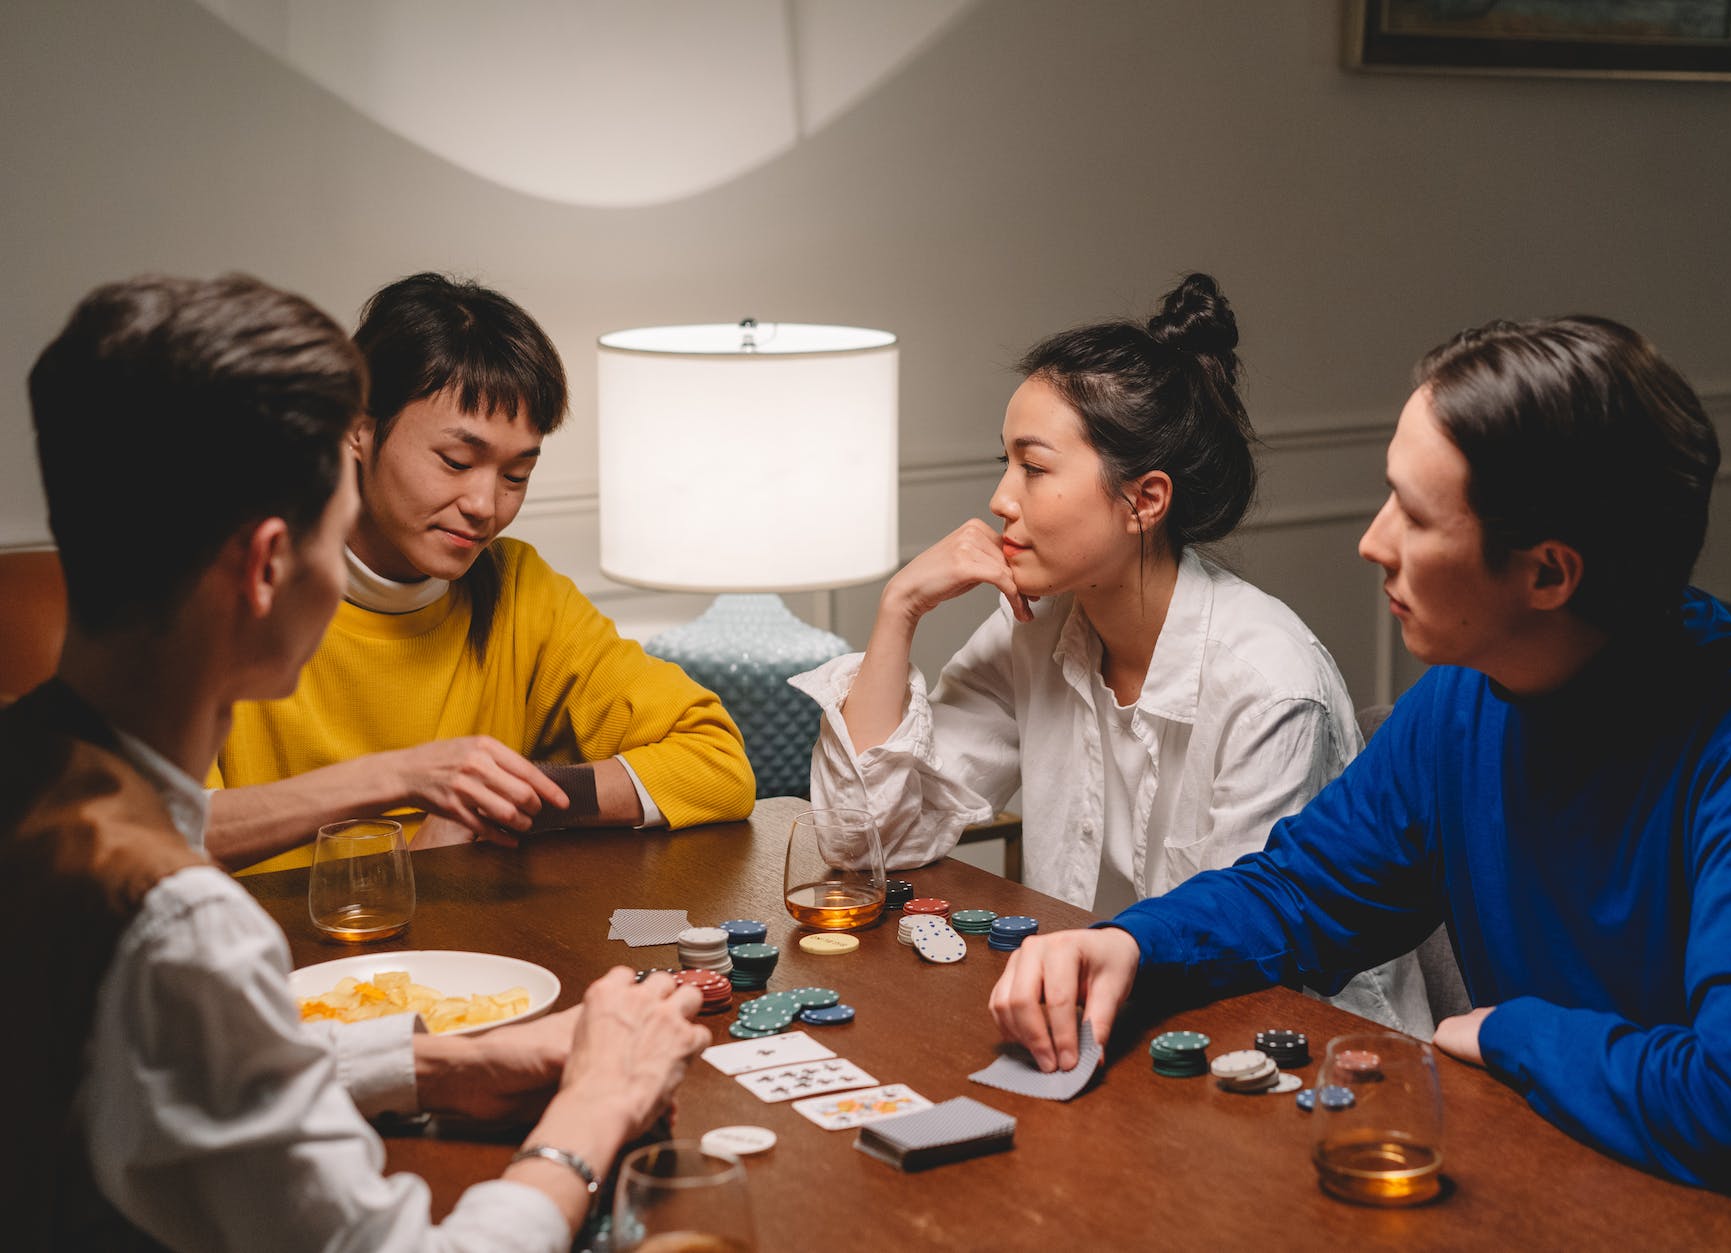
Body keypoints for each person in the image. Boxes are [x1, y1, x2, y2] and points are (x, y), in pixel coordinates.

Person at [988, 315, 1731, 1197]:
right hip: (1551, 1170)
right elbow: (1300, 893)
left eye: (1413, 515)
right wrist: (1129, 945)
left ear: (1547, 575)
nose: (1371, 541)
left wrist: (1511, 1035)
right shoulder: (1468, 693)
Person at [1, 273, 711, 1249]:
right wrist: (593, 1110)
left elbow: (165, 1070)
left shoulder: (30, 780)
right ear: (266, 567)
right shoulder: (180, 924)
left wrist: (438, 1065)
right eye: (336, 535)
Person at [793, 273, 1430, 1035]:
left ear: (1146, 500)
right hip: (1102, 1023)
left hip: (1298, 1054)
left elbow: (1245, 955)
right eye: (1006, 463)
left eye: (1033, 466)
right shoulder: (1033, 629)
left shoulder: (1267, 682)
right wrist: (900, 609)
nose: (1002, 497)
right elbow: (866, 841)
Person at [205, 273, 756, 873]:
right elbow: (157, 829)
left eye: (516, 475)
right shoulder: (234, 586)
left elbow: (718, 766)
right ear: (359, 427)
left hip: (466, 955)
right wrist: (405, 780)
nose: (485, 505)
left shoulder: (519, 590)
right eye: (456, 461)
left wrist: (502, 801)